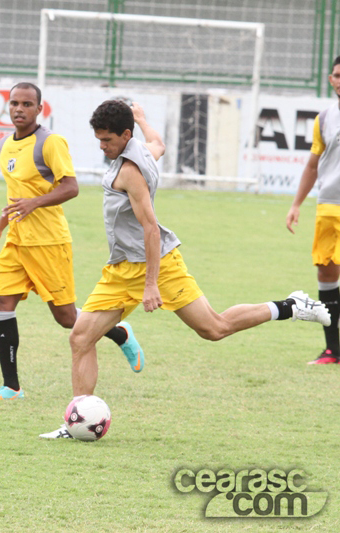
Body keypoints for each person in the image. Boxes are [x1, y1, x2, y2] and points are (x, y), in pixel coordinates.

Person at [41, 99, 330, 438]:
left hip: (159, 266)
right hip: (120, 270)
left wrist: (151, 285)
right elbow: (159, 144)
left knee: (214, 328)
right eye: (99, 140)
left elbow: (150, 228)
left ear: (124, 135)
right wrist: (143, 119)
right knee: (81, 338)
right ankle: (77, 420)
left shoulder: (130, 170)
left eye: (107, 140)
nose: (102, 147)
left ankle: (291, 306)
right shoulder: (141, 149)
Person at [0, 83, 144, 400]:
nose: (19, 109)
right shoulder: (7, 145)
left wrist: (35, 204)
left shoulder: (50, 143)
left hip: (48, 242)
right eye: (14, 103)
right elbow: (17, 196)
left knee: (66, 317)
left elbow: (71, 187)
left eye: (27, 104)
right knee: (2, 302)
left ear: (39, 109)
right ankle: (11, 386)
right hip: (17, 239)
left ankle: (118, 331)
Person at [286, 55, 340, 364]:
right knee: (327, 274)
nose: (339, 80)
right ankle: (333, 350)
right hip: (329, 207)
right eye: (336, 75)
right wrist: (296, 204)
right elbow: (313, 164)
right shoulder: (325, 118)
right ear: (331, 79)